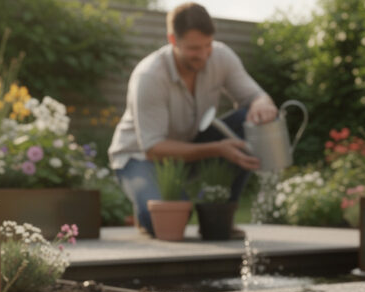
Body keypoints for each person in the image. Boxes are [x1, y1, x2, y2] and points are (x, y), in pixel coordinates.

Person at [107, 2, 278, 236]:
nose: (204, 54)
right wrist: (217, 149)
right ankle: (145, 207)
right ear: (172, 40)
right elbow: (153, 148)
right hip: (140, 157)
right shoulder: (150, 76)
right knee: (168, 220)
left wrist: (262, 104)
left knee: (246, 120)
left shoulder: (221, 56)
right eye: (194, 48)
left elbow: (256, 95)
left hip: (190, 145)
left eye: (208, 45)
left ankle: (220, 219)